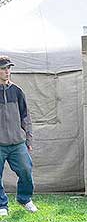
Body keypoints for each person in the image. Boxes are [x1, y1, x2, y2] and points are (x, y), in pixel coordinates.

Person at [0, 55, 37, 216]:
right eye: (3, 69)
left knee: (26, 170)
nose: (7, 71)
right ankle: (2, 205)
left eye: (9, 68)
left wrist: (28, 138)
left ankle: (24, 199)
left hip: (17, 143)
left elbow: (25, 117)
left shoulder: (17, 91)